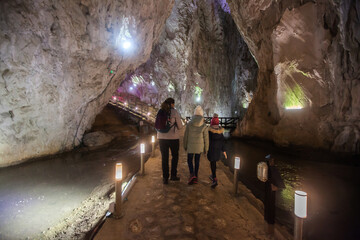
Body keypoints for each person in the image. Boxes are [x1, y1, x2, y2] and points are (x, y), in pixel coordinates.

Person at [157, 98, 183, 184]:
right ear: (172, 104)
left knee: (164, 157)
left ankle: (165, 178)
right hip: (173, 138)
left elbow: (157, 124)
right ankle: (173, 175)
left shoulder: (160, 111)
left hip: (161, 138)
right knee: (174, 156)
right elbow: (180, 126)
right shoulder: (174, 112)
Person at [183, 105, 209, 185]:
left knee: (189, 160)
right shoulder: (204, 125)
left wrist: (185, 146)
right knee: (197, 161)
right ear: (201, 114)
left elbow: (185, 136)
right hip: (199, 147)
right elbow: (206, 138)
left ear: (194, 114)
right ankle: (196, 176)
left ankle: (192, 174)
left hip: (191, 146)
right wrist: (206, 149)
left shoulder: (189, 124)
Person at [264, 154, 285, 233]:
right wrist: (278, 187)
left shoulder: (265, 168)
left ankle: (267, 221)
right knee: (271, 207)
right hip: (272, 191)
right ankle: (270, 227)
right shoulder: (273, 169)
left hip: (267, 189)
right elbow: (279, 182)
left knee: (267, 205)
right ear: (272, 161)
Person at [207, 113, 227, 188]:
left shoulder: (210, 131)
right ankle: (213, 175)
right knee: (214, 163)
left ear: (212, 122)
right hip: (217, 150)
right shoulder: (220, 132)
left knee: (212, 163)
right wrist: (224, 151)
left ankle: (214, 178)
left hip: (211, 150)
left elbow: (207, 141)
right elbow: (223, 142)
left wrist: (205, 149)